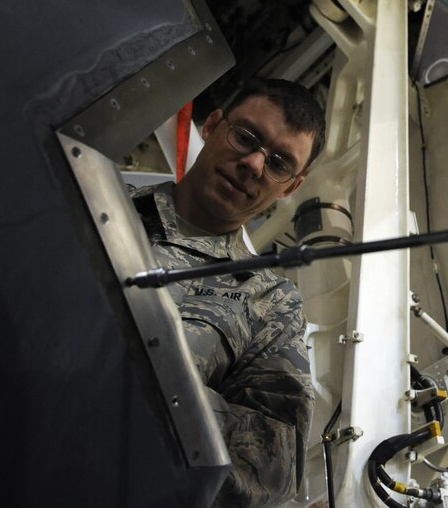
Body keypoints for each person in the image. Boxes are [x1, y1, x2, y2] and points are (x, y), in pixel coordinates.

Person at [130, 79, 326, 507]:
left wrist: (154, 383)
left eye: (278, 163)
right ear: (214, 124)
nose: (254, 163)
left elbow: (273, 469)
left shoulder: (270, 304)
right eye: (247, 137)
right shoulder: (101, 200)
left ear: (291, 187)